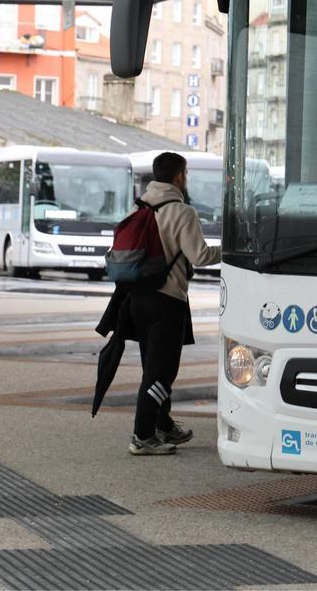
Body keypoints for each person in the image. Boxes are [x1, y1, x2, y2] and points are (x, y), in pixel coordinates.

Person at [126, 152, 221, 456]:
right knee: (161, 371)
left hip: (136, 298)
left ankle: (163, 425)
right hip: (167, 299)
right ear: (180, 176)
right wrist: (229, 250)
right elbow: (200, 256)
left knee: (151, 366)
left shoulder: (139, 205)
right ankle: (142, 436)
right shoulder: (183, 212)